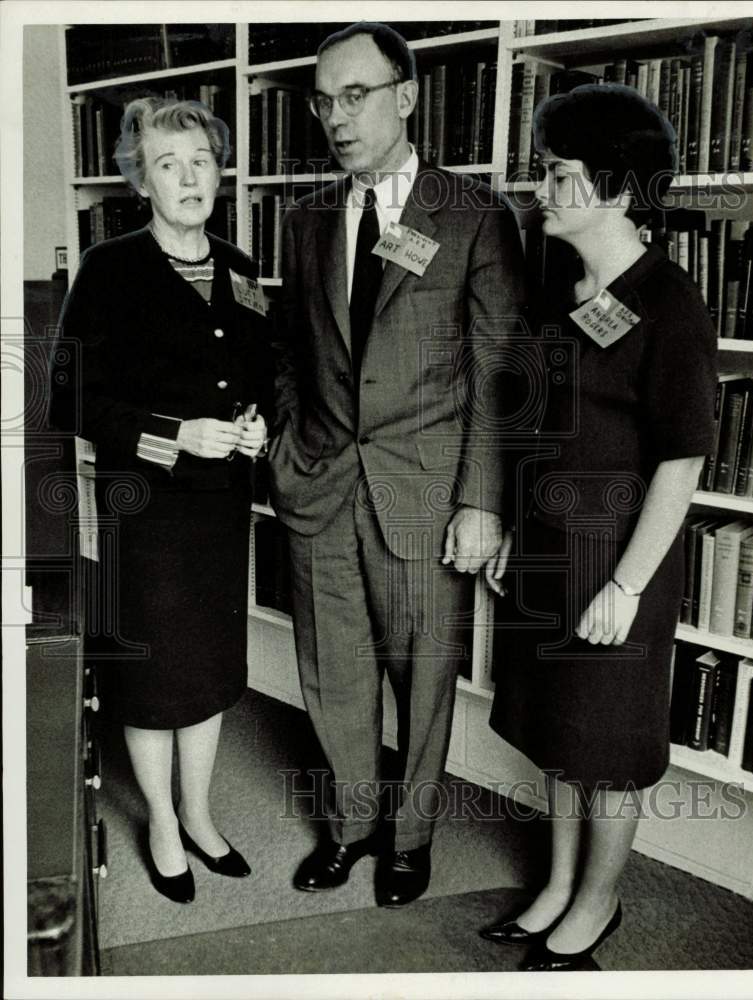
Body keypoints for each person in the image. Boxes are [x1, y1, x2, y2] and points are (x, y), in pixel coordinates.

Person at [268, 21, 525, 907]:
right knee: (332, 669)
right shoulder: (304, 220)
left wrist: (482, 503)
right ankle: (347, 827)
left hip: (424, 491)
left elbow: (497, 370)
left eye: (357, 94)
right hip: (320, 484)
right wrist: (284, 452)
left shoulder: (475, 214)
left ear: (406, 97)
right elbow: (292, 356)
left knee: (422, 677)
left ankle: (409, 838)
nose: (335, 116)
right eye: (323, 99)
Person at [481, 85, 718, 969]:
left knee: (608, 745)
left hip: (620, 564)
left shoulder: (671, 303)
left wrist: (626, 585)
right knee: (558, 730)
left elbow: (682, 461)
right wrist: (509, 525)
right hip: (547, 548)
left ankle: (599, 902)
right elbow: (542, 426)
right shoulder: (559, 288)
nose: (541, 187)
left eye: (559, 173)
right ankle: (557, 885)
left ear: (616, 191)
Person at [50, 97, 271, 904]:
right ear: (141, 178)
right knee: (152, 675)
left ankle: (201, 813)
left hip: (219, 510)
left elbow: (263, 378)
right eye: (167, 164)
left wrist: (258, 425)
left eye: (201, 161)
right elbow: (69, 399)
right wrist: (173, 433)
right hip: (144, 510)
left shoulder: (242, 270)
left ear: (220, 172)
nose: (187, 178)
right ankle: (164, 826)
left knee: (208, 668)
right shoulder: (110, 269)